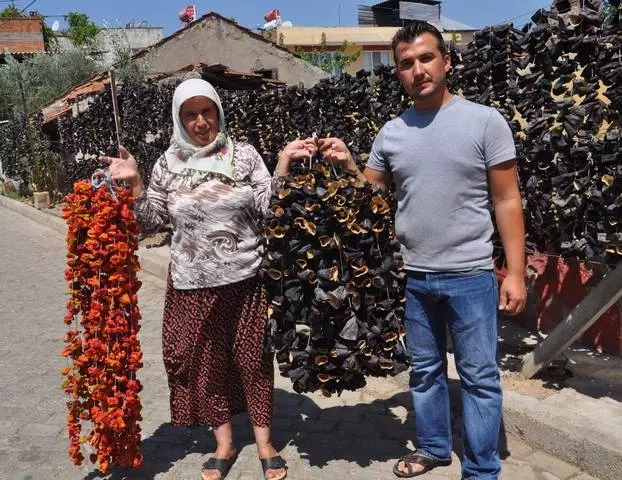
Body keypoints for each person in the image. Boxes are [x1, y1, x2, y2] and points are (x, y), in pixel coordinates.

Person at [317, 22, 527, 479]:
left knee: (479, 379)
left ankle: (482, 469)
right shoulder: (392, 132)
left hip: (471, 275)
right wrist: (351, 164)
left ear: (446, 61)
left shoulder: (485, 122)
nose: (418, 70)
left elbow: (507, 199)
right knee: (425, 371)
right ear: (398, 72)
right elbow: (368, 199)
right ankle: (433, 447)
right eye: (406, 63)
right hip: (412, 276)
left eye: (426, 58)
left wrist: (515, 272)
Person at [100, 78, 316, 480]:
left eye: (207, 111)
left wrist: (283, 163)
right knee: (207, 367)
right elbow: (151, 221)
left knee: (253, 363)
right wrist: (135, 185)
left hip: (245, 280)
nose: (201, 122)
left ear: (218, 112)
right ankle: (224, 444)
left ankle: (265, 442)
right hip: (191, 286)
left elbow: (271, 207)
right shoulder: (167, 164)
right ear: (179, 119)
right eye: (190, 114)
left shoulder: (244, 156)